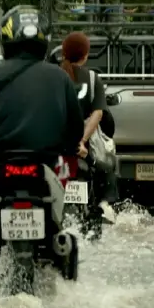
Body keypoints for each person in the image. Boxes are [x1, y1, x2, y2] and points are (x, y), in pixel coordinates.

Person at [0, 7, 85, 236]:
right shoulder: (61, 77)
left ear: (6, 40)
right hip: (48, 159)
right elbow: (76, 127)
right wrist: (68, 147)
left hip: (0, 158)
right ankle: (58, 226)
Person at [59, 31, 120, 226]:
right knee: (107, 166)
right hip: (83, 149)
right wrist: (82, 141)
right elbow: (98, 114)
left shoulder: (52, 77)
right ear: (85, 55)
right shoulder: (93, 79)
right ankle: (105, 204)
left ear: (64, 53)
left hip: (56, 145)